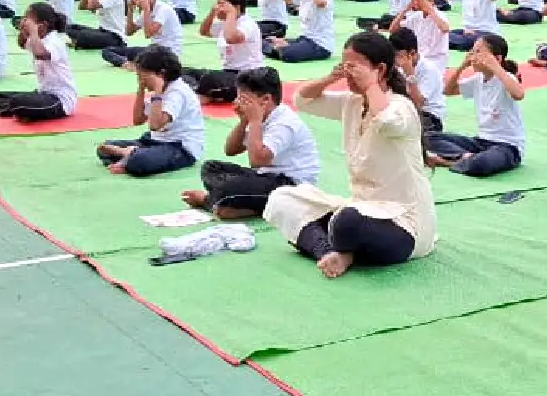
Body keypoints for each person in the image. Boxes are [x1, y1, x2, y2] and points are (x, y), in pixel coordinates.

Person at [263, 32, 437, 279]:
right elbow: (302, 100)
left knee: (347, 223)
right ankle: (332, 253)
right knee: (282, 199)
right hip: (360, 207)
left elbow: (386, 121)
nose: (348, 72)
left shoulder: (401, 106)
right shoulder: (352, 103)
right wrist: (331, 77)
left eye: (355, 66)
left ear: (380, 69)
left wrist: (371, 84)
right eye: (346, 65)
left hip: (403, 224)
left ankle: (342, 248)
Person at [179, 67, 320, 219]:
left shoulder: (284, 123)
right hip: (265, 176)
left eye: (243, 99)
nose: (237, 102)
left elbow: (257, 161)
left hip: (291, 186)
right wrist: (243, 121)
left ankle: (211, 201)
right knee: (211, 168)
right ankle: (236, 204)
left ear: (265, 99)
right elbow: (231, 150)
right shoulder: (259, 115)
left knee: (231, 189)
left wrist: (254, 121)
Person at [426, 34, 526, 177]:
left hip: (507, 146)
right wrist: (462, 66)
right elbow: (448, 90)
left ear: (497, 58)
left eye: (478, 52)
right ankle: (464, 157)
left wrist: (496, 67)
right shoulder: (478, 79)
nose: (473, 56)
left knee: (482, 163)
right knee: (428, 137)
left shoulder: (506, 77)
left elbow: (519, 94)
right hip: (481, 142)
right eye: (472, 52)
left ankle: (449, 160)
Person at [96, 46, 207, 177]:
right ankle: (130, 154)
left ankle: (130, 155)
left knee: (139, 161)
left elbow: (155, 125)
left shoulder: (177, 92)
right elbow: (137, 120)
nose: (141, 79)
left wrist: (157, 92)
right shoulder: (161, 88)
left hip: (180, 148)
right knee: (105, 148)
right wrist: (141, 88)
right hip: (154, 141)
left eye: (143, 76)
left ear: (161, 74)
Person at [0, 2, 79, 122]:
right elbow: (22, 43)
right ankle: (25, 111)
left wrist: (33, 31)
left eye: (28, 20)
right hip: (42, 93)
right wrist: (24, 30)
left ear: (43, 25)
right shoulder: (37, 39)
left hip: (60, 100)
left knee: (17, 101)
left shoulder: (55, 41)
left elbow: (39, 54)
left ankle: (23, 109)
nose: (25, 22)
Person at [184, 0, 264, 102]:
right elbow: (204, 31)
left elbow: (230, 38)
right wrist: (212, 13)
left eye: (221, 4)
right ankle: (206, 92)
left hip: (247, 77)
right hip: (228, 73)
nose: (217, 7)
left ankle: (201, 94)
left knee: (210, 78)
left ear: (236, 7)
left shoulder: (247, 24)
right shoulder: (226, 22)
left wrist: (231, 13)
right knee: (186, 72)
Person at [101, 0, 183, 68]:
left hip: (168, 53)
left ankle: (140, 64)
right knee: (107, 51)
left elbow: (148, 34)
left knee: (147, 57)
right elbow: (129, 32)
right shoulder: (146, 11)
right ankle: (126, 63)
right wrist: (130, 10)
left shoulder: (163, 9)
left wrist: (146, 10)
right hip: (154, 50)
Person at [264, 0, 334, 63]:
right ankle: (281, 48)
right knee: (266, 41)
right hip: (304, 39)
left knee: (288, 53)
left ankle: (282, 49)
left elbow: (321, 3)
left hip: (320, 44)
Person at [390, 27, 447, 133]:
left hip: (429, 116)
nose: (395, 60)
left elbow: (418, 102)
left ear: (412, 53)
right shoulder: (398, 67)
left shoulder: (429, 70)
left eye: (398, 56)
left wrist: (410, 74)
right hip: (406, 110)